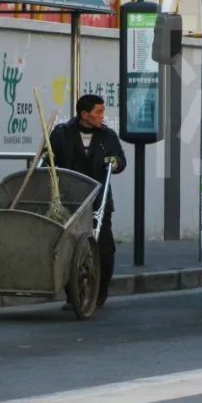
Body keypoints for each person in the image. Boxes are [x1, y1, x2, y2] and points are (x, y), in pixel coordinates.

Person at [49, 94, 127, 307]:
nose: (103, 116)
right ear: (84, 114)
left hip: (98, 201)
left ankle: (99, 292)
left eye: (103, 111)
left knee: (104, 249)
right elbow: (49, 161)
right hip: (70, 201)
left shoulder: (107, 136)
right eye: (98, 112)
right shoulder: (62, 134)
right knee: (68, 249)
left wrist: (115, 163)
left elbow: (121, 160)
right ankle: (73, 295)